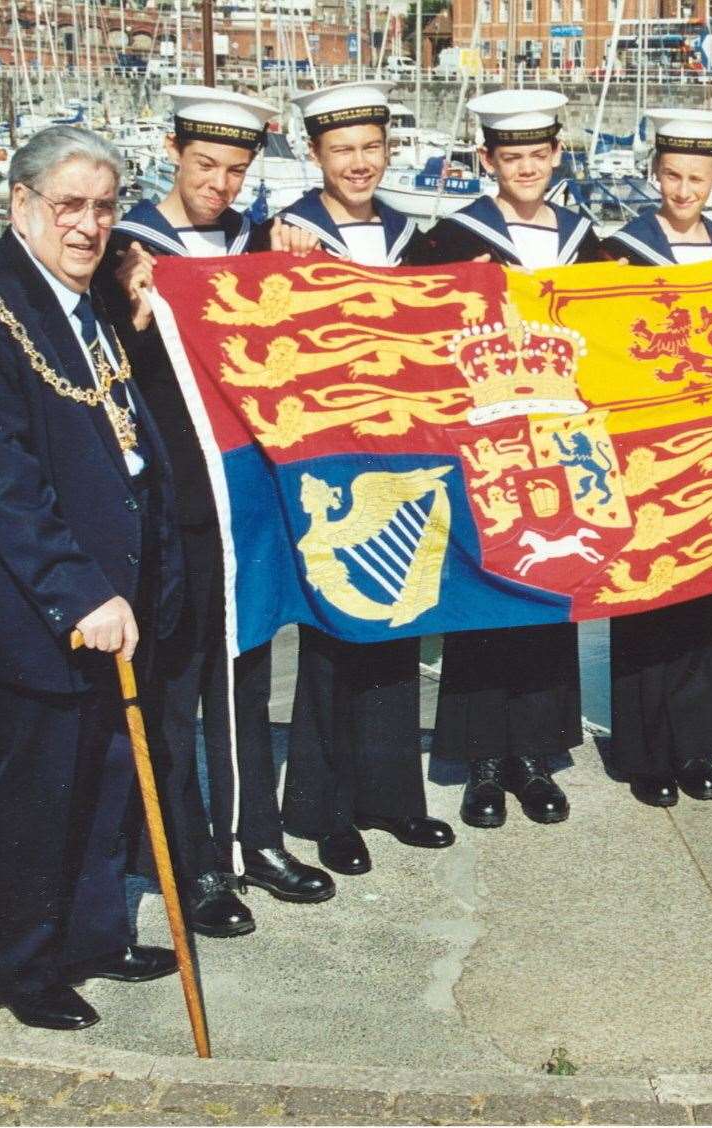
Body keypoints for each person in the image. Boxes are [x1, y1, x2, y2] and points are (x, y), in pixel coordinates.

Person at [0, 126, 185, 1031]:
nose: (89, 225)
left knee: (100, 781)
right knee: (31, 796)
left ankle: (93, 936)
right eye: (70, 206)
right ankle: (20, 968)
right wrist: (79, 591)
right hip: (19, 611)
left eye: (104, 207)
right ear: (21, 207)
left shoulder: (88, 299)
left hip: (105, 600)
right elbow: (0, 484)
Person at [98, 84, 336, 937]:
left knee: (243, 682)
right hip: (170, 510)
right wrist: (127, 314)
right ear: (173, 152)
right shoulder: (125, 248)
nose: (220, 185)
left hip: (248, 508)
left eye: (236, 170)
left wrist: (301, 269)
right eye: (205, 165)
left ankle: (255, 839)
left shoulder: (256, 241)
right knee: (172, 691)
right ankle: (188, 860)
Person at [255, 80, 456, 876]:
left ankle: (391, 797)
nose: (359, 163)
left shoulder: (415, 235)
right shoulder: (287, 234)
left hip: (406, 461)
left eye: (371, 147)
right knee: (334, 629)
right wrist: (277, 264)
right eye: (343, 150)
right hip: (330, 465)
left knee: (401, 621)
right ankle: (323, 808)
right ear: (316, 156)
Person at [409, 89, 602, 829]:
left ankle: (536, 755)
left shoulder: (587, 238)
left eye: (537, 155)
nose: (525, 168)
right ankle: (483, 762)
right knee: (484, 595)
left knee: (551, 593)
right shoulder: (451, 238)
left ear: (555, 155)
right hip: (483, 441)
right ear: (487, 160)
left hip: (563, 445)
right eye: (509, 156)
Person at [598, 107, 712, 809]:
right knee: (643, 594)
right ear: (655, 174)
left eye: (697, 178)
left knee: (701, 605)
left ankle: (694, 748)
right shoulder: (615, 249)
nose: (683, 191)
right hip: (639, 449)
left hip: (710, 452)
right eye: (671, 176)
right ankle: (641, 750)